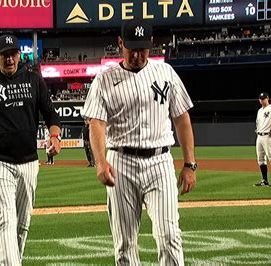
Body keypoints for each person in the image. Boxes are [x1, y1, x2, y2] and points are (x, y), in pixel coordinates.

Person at [81, 19, 197, 265]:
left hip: (160, 161)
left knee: (169, 236)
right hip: (121, 162)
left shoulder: (166, 73)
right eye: (131, 48)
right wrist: (100, 162)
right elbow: (96, 124)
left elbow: (182, 118)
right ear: (120, 43)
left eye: (142, 48)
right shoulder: (104, 80)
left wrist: (190, 164)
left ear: (151, 44)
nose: (137, 54)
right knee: (124, 244)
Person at [0, 34, 61, 265]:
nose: (9, 59)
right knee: (6, 219)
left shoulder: (34, 80)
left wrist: (55, 135)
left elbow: (50, 112)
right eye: (4, 55)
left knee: (22, 225)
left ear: (19, 55)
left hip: (29, 162)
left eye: (13, 54)